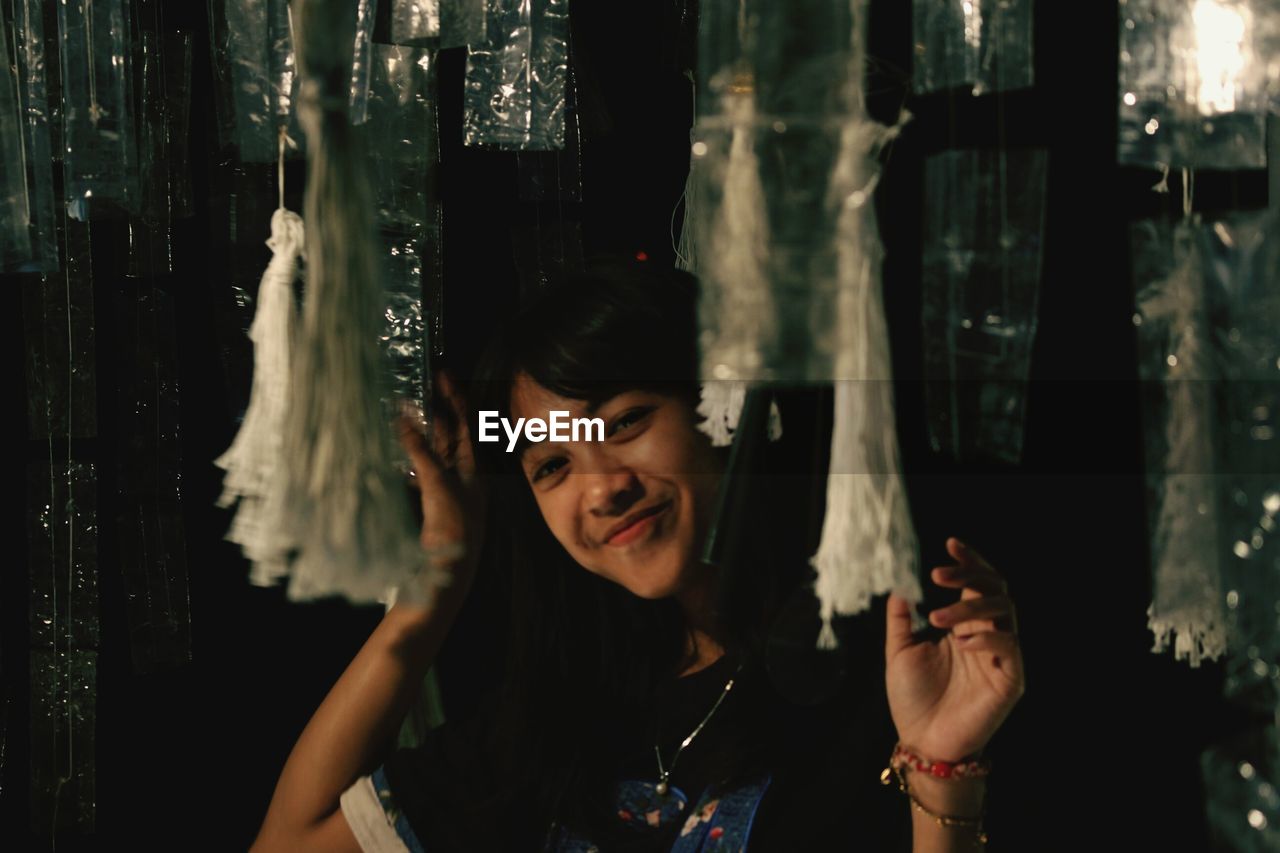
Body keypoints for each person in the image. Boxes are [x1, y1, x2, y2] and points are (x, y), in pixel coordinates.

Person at [249, 262, 1025, 852]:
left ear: (720, 409)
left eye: (623, 422)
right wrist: (437, 580)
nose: (602, 489)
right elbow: (290, 841)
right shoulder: (556, 718)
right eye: (551, 465)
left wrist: (939, 768)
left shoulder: (899, 669)